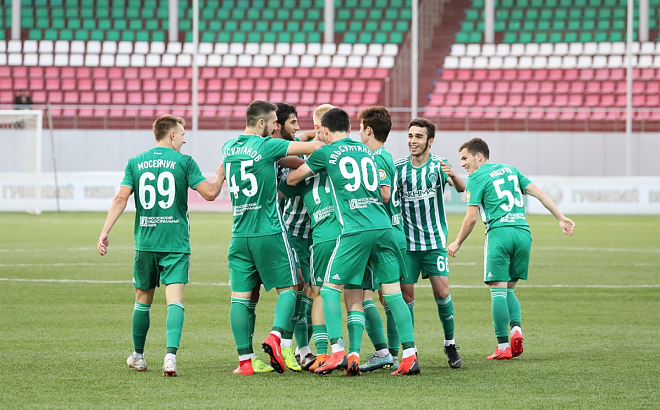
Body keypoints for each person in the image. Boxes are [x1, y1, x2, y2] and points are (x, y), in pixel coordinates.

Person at [287, 108, 420, 376]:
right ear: (349, 128)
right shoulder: (368, 152)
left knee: (328, 289)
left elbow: (293, 178)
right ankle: (409, 355)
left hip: (355, 229)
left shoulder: (327, 152)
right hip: (384, 226)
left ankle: (337, 351)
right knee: (393, 294)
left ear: (325, 131)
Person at [97, 114, 224, 377]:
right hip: (175, 243)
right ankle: (170, 358)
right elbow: (210, 193)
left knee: (142, 301)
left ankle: (139, 356)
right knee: (174, 301)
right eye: (183, 134)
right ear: (172, 134)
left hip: (146, 243)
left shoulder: (135, 162)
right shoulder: (184, 162)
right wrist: (221, 176)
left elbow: (120, 198)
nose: (185, 139)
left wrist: (105, 231)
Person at [219, 100, 322, 375]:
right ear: (262, 123)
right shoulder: (266, 146)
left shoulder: (229, 147)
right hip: (269, 230)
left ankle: (245, 361)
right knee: (291, 288)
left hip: (239, 234)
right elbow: (311, 149)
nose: (277, 126)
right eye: (275, 121)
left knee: (240, 298)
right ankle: (276, 337)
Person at [447, 138, 575, 359]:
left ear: (479, 156)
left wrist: (457, 242)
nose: (462, 164)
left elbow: (471, 217)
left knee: (497, 291)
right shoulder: (511, 170)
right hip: (523, 234)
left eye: (465, 158)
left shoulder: (476, 177)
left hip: (500, 234)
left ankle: (503, 346)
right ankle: (516, 329)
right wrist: (561, 217)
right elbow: (540, 193)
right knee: (509, 291)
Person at [394, 118, 465, 369]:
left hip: (434, 242)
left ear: (430, 141)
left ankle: (450, 343)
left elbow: (461, 188)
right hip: (407, 245)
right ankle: (410, 350)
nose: (413, 141)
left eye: (418, 137)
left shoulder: (438, 165)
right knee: (406, 297)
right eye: (410, 136)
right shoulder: (398, 168)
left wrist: (453, 175)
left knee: (442, 293)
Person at [278, 103, 338, 372]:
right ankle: (297, 347)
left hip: (320, 234)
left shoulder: (337, 153)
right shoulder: (305, 150)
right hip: (295, 231)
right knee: (301, 288)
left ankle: (305, 347)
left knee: (316, 293)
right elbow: (284, 188)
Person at [357, 106, 405, 372]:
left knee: (368, 296)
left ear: (368, 129)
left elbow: (384, 194)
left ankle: (387, 352)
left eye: (360, 127)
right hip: (387, 231)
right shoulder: (380, 156)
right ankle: (394, 352)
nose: (358, 132)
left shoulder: (377, 157)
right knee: (385, 297)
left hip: (381, 232)